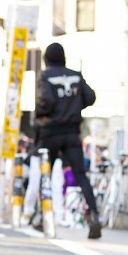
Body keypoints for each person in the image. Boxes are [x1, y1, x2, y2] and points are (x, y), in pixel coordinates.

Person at [35, 42, 101, 239]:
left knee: (46, 175)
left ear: (47, 57)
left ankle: (43, 217)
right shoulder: (75, 75)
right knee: (81, 175)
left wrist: (41, 114)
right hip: (73, 132)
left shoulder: (45, 75)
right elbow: (90, 97)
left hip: (51, 132)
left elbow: (46, 102)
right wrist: (73, 104)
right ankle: (95, 216)